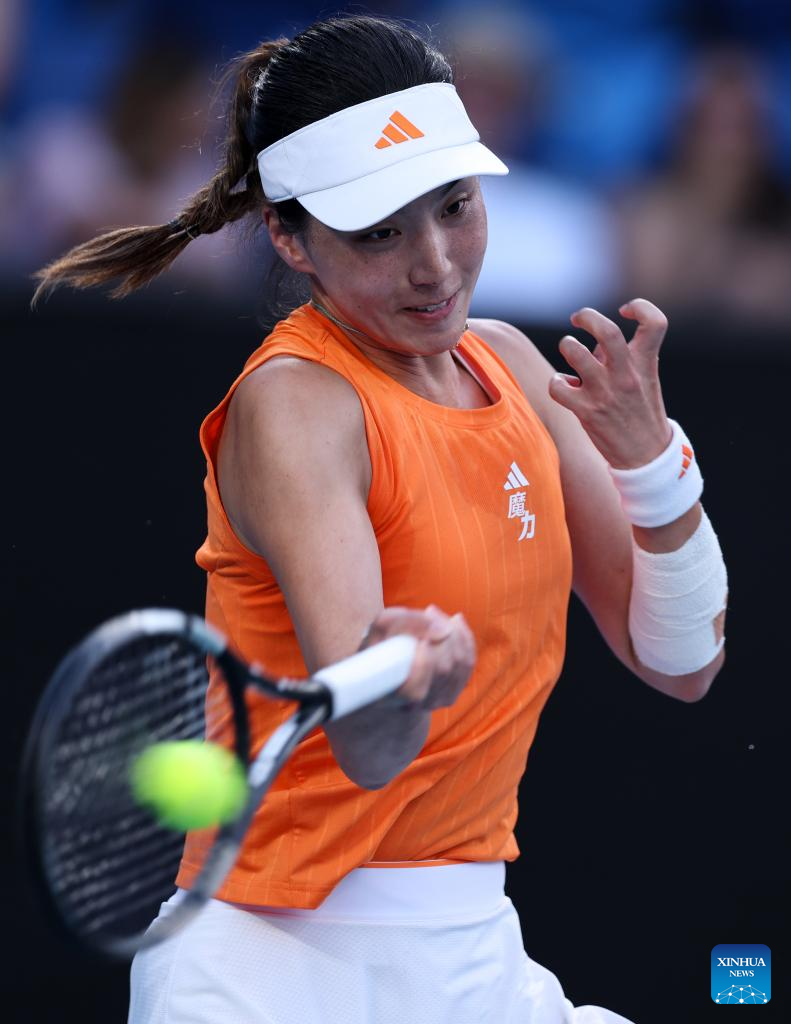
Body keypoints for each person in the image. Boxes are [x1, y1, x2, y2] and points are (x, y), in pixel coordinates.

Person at [31, 15, 728, 1024]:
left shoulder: (512, 366)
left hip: (473, 956)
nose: (434, 264)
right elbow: (366, 746)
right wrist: (406, 681)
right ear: (289, 238)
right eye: (379, 233)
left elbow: (682, 660)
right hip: (263, 971)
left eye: (454, 206)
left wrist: (653, 467)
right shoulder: (293, 405)